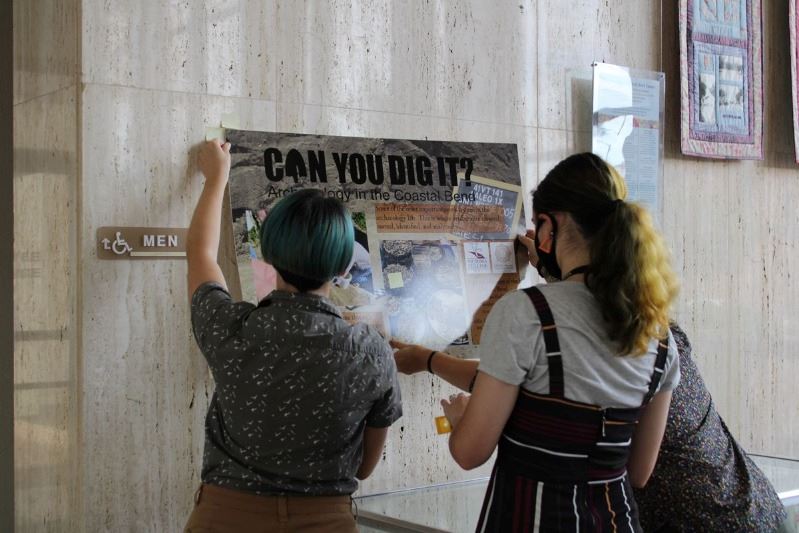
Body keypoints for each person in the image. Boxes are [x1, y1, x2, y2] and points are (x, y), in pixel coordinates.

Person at [394, 152, 681, 532]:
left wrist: (462, 420)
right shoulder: (658, 335)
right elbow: (640, 471)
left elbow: (469, 452)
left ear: (549, 226)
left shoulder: (524, 314)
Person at [184, 140, 402, 533]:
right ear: (341, 264)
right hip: (328, 521)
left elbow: (200, 254)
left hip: (225, 520)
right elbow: (365, 467)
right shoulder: (371, 353)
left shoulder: (231, 328)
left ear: (268, 252)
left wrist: (217, 177)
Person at [634, 324, 790, 532]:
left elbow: (636, 474)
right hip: (761, 508)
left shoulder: (641, 354)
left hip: (711, 521)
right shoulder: (668, 335)